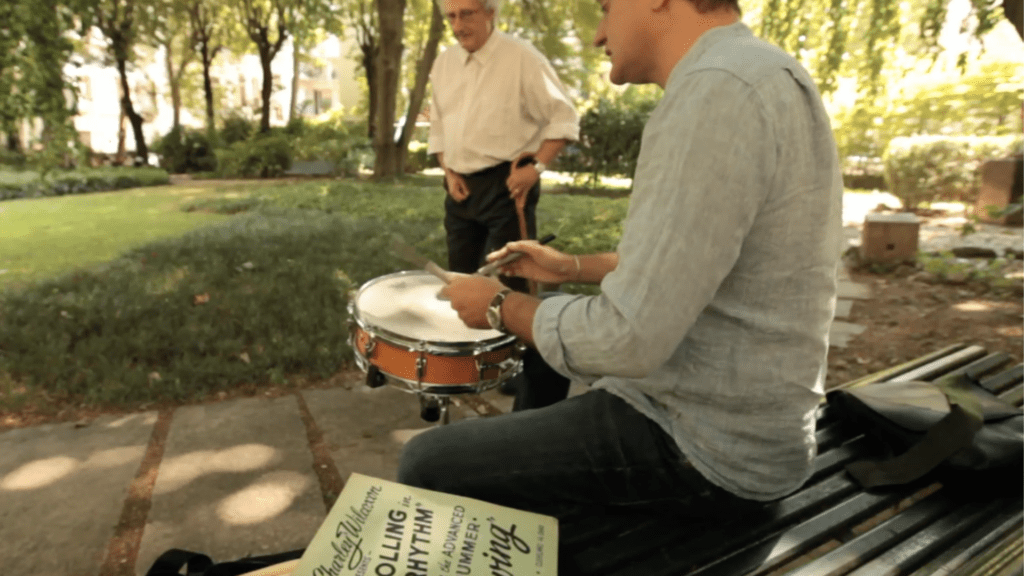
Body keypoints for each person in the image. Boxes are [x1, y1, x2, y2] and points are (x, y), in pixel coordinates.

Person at [398, 0, 844, 523]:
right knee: (554, 313)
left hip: (708, 450)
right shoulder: (756, 70)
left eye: (607, 7)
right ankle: (534, 463)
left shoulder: (715, 91)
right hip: (753, 425)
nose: (598, 33)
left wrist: (498, 305)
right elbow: (696, 259)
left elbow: (626, 339)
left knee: (426, 462)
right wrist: (570, 268)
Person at [428, 0, 580, 295]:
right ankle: (466, 340)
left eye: (467, 14)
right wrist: (448, 172)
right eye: (452, 17)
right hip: (459, 191)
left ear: (490, 12)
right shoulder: (443, 64)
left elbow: (564, 117)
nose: (458, 26)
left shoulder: (522, 57)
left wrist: (536, 169)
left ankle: (515, 340)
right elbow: (438, 128)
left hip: (507, 188)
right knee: (461, 281)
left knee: (511, 285)